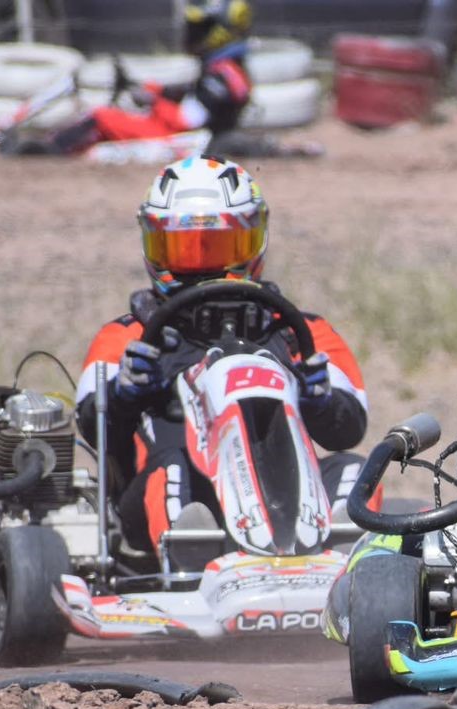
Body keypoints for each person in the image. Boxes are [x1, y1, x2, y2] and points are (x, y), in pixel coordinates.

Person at [76, 155, 367, 557]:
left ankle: (348, 566)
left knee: (356, 469)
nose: (203, 268)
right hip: (169, 499)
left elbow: (349, 429)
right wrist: (125, 394)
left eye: (218, 248)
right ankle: (187, 561)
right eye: (185, 251)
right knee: (171, 468)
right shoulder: (127, 337)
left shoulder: (299, 332)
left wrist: (321, 401)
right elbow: (91, 423)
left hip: (289, 497)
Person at [37, 0, 255, 155]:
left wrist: (152, 100)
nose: (193, 34)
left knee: (101, 117)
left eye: (200, 29)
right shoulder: (228, 69)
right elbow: (193, 98)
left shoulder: (220, 75)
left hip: (182, 139)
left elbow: (187, 120)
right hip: (191, 136)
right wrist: (157, 91)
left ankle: (47, 151)